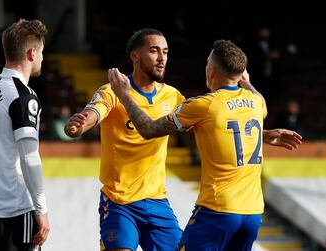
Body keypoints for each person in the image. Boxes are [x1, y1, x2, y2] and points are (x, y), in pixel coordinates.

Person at [108, 40, 302, 251]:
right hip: (253, 213)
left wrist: (124, 96)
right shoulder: (257, 102)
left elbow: (149, 130)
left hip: (217, 211)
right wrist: (260, 130)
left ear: (210, 71)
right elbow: (237, 125)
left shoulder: (203, 105)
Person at [65, 28, 185, 251]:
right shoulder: (112, 91)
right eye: (154, 51)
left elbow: (207, 123)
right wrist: (79, 125)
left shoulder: (173, 96)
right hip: (120, 202)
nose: (162, 58)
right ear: (135, 56)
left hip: (158, 202)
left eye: (165, 52)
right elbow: (93, 114)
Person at [0, 19, 50, 251]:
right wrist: (41, 209)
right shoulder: (23, 96)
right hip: (13, 210)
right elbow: (29, 157)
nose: (43, 58)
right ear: (32, 53)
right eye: (42, 52)